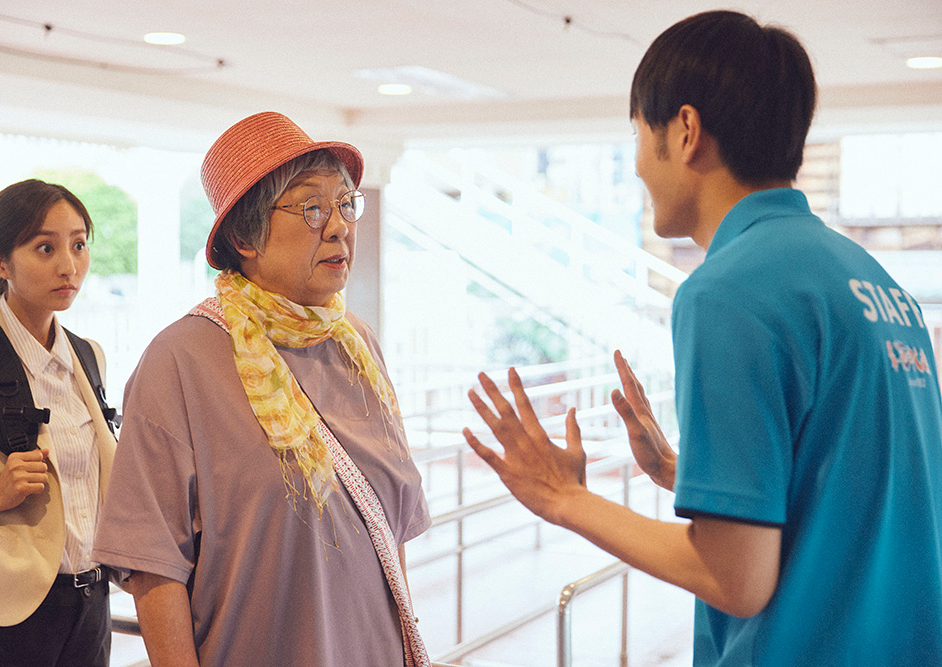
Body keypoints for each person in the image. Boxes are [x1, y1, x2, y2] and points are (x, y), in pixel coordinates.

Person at [463, 10, 942, 666]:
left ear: (685, 131)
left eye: (637, 134)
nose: (635, 166)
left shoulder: (727, 292)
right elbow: (843, 494)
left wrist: (564, 498)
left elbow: (736, 580)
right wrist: (681, 473)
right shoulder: (877, 284)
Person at [92, 111, 432, 667]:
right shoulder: (179, 360)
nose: (340, 226)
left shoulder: (356, 346)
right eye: (312, 207)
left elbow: (386, 535)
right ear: (245, 236)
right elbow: (153, 564)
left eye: (346, 204)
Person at [0, 179, 118, 667]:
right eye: (45, 247)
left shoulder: (89, 357)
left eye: (79, 244)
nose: (69, 265)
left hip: (91, 604)